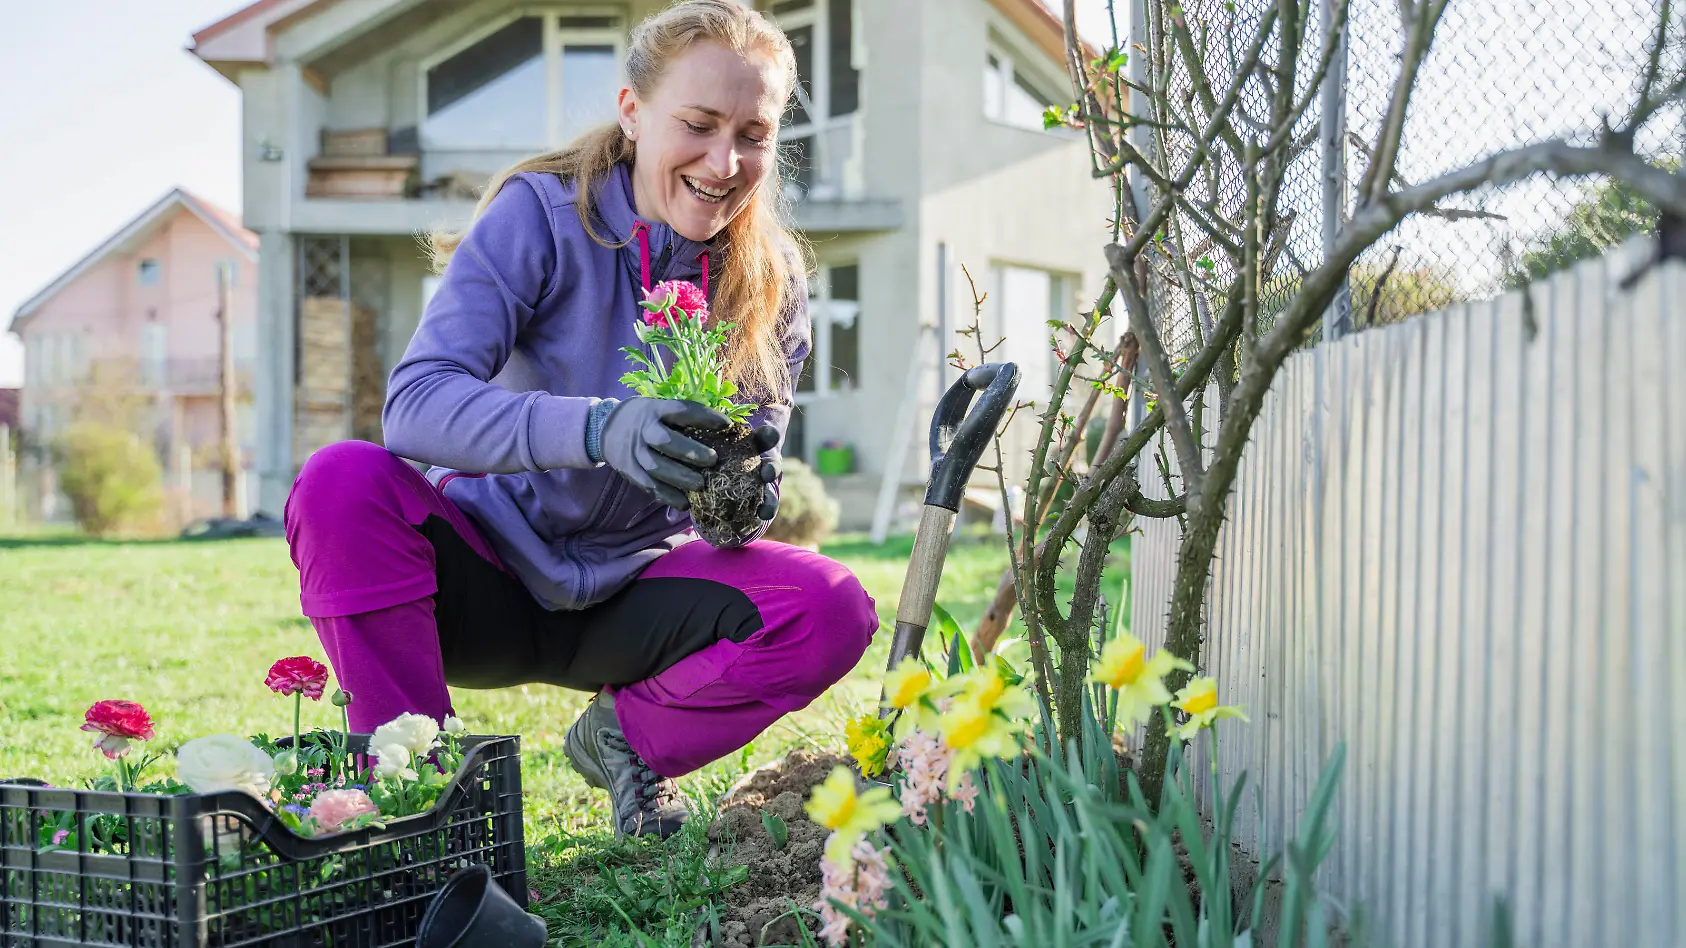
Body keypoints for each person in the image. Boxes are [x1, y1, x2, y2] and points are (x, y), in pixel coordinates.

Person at [283, 0, 878, 839]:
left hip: (634, 599)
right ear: (633, 113)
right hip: (482, 578)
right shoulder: (542, 215)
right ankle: (411, 785)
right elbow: (415, 404)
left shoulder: (769, 278)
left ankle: (624, 737)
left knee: (829, 606)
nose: (724, 162)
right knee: (339, 481)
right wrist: (601, 429)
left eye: (753, 134)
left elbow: (749, 490)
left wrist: (745, 489)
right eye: (698, 125)